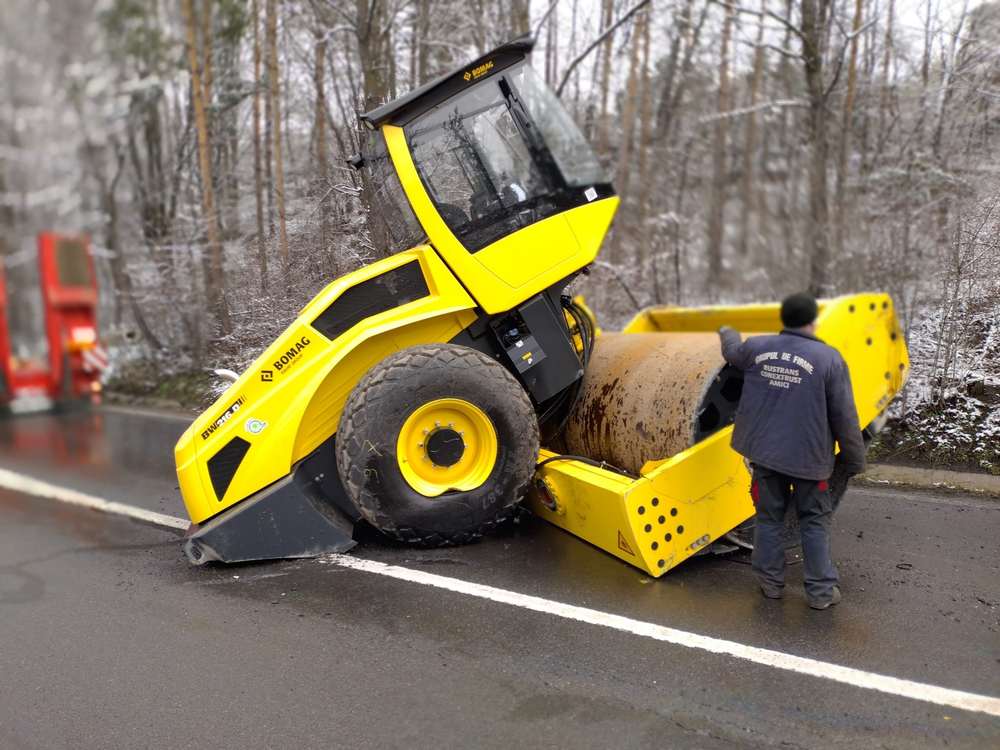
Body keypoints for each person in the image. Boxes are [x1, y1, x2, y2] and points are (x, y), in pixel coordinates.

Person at [718, 293, 866, 610]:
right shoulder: (829, 359)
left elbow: (731, 351)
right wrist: (854, 460)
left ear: (782, 319)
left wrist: (727, 327)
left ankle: (771, 584)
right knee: (813, 521)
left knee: (768, 518)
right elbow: (845, 417)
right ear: (813, 321)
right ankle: (821, 593)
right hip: (810, 462)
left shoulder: (756, 347)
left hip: (765, 456)